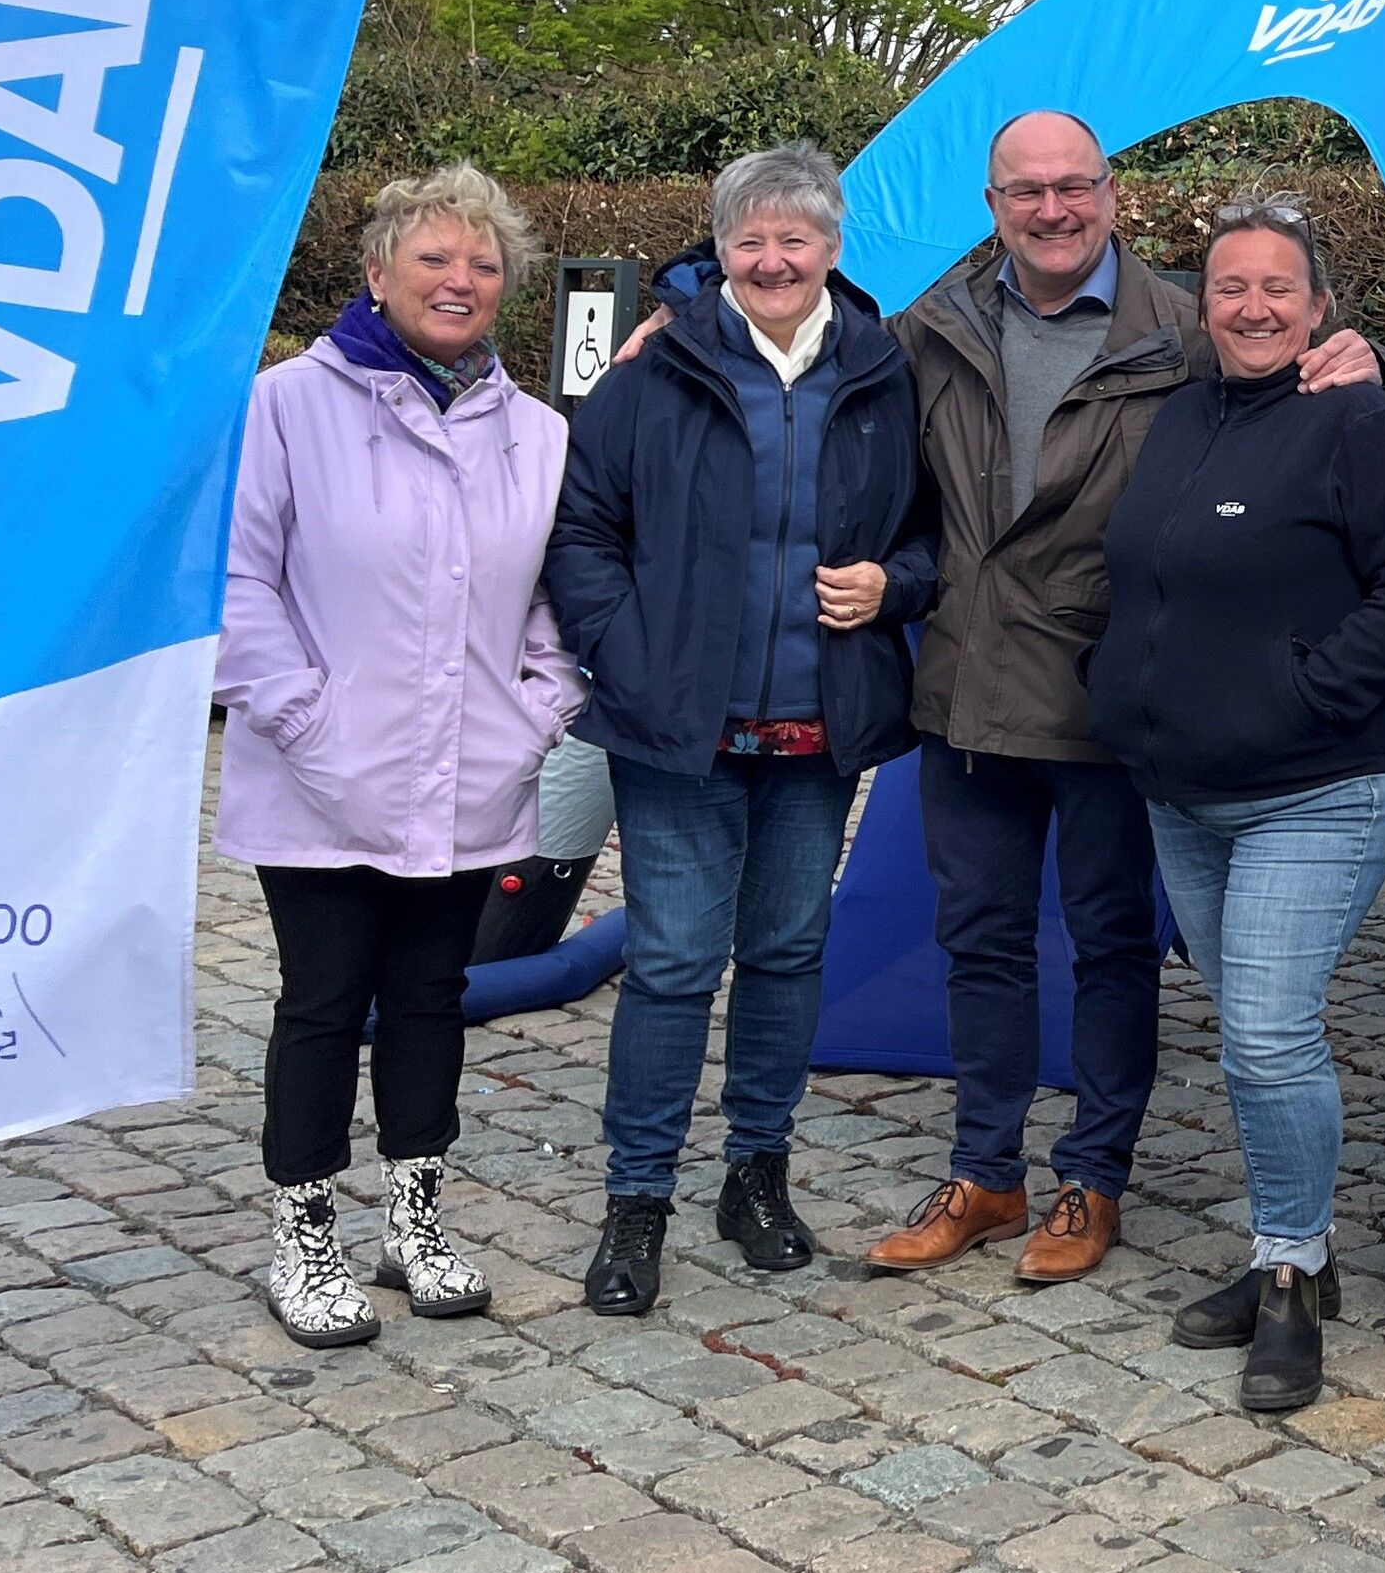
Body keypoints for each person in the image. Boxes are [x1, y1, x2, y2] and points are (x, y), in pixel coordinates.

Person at [863, 110, 1380, 1285]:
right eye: (1027, 191)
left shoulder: (1185, 326)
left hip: (1116, 691)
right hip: (968, 687)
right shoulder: (929, 329)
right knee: (980, 943)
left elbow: (1296, 378)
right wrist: (676, 322)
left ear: (1111, 193)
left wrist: (1372, 364)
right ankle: (985, 1173)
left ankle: (1092, 1178)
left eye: (1074, 187)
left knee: (1111, 947)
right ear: (992, 206)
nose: (1053, 210)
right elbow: (803, 351)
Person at [547, 143, 936, 1313]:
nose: (772, 260)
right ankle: (637, 1200)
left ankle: (757, 1175)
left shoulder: (884, 375)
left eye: (794, 239)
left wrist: (896, 587)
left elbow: (933, 532)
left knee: (785, 954)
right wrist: (629, 653)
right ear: (718, 251)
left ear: (833, 248)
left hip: (820, 725)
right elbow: (581, 531)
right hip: (678, 731)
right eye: (749, 240)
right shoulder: (649, 374)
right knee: (671, 964)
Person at [1091, 200, 1385, 1409]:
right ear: (1202, 305)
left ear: (1319, 307)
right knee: (1254, 1033)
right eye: (1230, 287)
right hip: (1184, 788)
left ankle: (1292, 1272)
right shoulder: (1184, 414)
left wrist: (1303, 694)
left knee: (1265, 1031)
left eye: (1277, 288)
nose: (1253, 307)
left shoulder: (1358, 419)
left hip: (1321, 782)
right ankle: (1288, 1248)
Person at [215, 164, 580, 1346]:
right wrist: (305, 721)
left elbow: (555, 601)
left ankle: (414, 1220)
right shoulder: (286, 405)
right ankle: (303, 1234)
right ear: (377, 274)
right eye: (434, 257)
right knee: (324, 1003)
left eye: (484, 263)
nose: (460, 279)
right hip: (319, 779)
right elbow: (236, 583)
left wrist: (536, 712)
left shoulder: (537, 435)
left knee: (432, 998)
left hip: (471, 775)